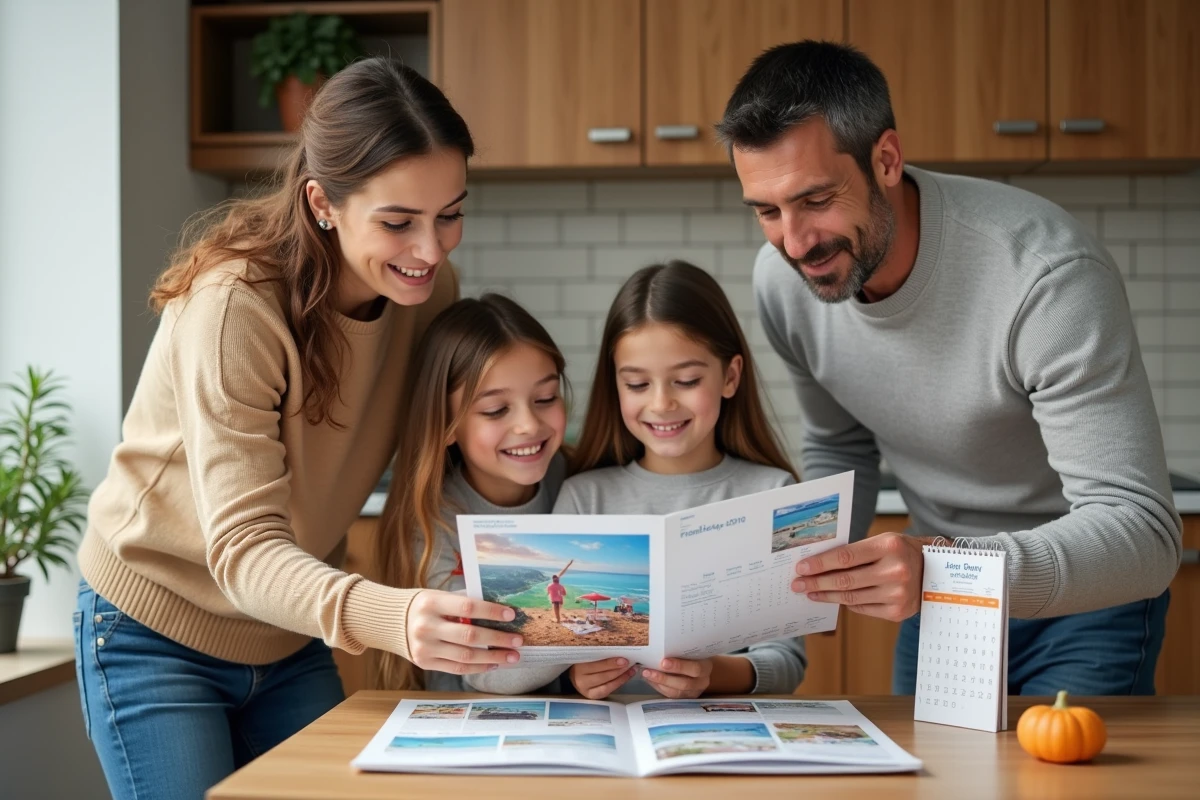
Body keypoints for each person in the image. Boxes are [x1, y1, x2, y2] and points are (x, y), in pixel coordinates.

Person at [73, 58, 522, 800]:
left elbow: (450, 446)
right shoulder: (235, 307)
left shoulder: (428, 290)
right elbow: (245, 548)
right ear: (322, 202)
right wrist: (396, 614)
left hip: (287, 633)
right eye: (398, 222)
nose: (431, 249)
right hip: (154, 629)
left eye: (450, 214)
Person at [716, 40, 1182, 695]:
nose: (794, 243)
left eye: (816, 199)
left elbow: (1143, 534)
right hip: (942, 593)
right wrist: (805, 571)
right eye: (767, 211)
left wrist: (948, 569)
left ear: (886, 159)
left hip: (1085, 602)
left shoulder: (1043, 276)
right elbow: (839, 444)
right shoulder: (784, 283)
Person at [552, 261, 807, 700]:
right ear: (615, 386)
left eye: (686, 380)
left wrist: (713, 674)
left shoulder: (774, 494)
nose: (662, 403)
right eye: (637, 384)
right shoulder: (582, 497)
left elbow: (787, 662)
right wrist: (572, 678)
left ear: (730, 377)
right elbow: (547, 660)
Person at [374, 293, 569, 695]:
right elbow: (484, 667)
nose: (529, 425)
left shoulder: (578, 482)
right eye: (496, 410)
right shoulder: (433, 522)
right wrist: (588, 639)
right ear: (446, 425)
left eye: (545, 399)